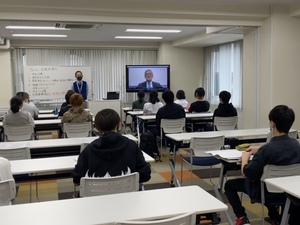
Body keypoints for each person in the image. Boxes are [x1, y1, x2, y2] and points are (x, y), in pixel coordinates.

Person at [224, 105, 300, 225]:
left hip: (264, 193)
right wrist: (260, 148)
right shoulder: (296, 145)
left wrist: (245, 158)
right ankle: (275, 216)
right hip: (289, 192)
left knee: (229, 185)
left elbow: (248, 173)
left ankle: (242, 218)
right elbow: (280, 149)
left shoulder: (267, 150)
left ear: (272, 124)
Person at [72, 108, 151, 186]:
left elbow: (77, 179)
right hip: (127, 196)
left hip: (97, 197)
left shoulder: (88, 150)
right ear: (119, 125)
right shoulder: (132, 146)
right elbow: (145, 175)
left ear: (97, 128)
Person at [155, 90, 186, 154]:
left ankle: (156, 151)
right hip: (179, 131)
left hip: (164, 133)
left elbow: (157, 124)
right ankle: (174, 147)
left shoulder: (161, 110)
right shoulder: (180, 108)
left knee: (151, 131)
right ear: (173, 97)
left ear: (163, 99)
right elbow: (184, 120)